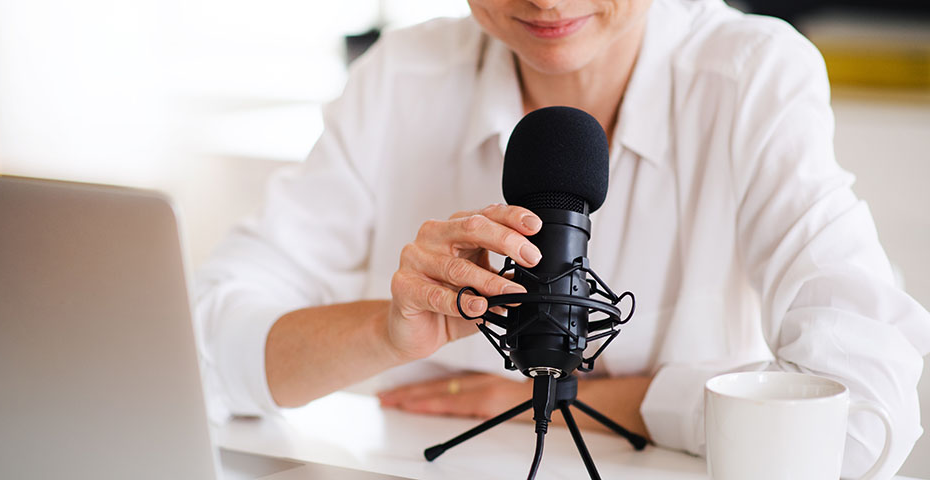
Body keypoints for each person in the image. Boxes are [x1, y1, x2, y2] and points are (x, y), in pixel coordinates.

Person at [194, 0, 930, 477]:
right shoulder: (400, 77)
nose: (547, 0)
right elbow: (196, 348)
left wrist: (623, 401)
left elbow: (861, 411)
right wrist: (388, 333)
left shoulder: (750, 76)